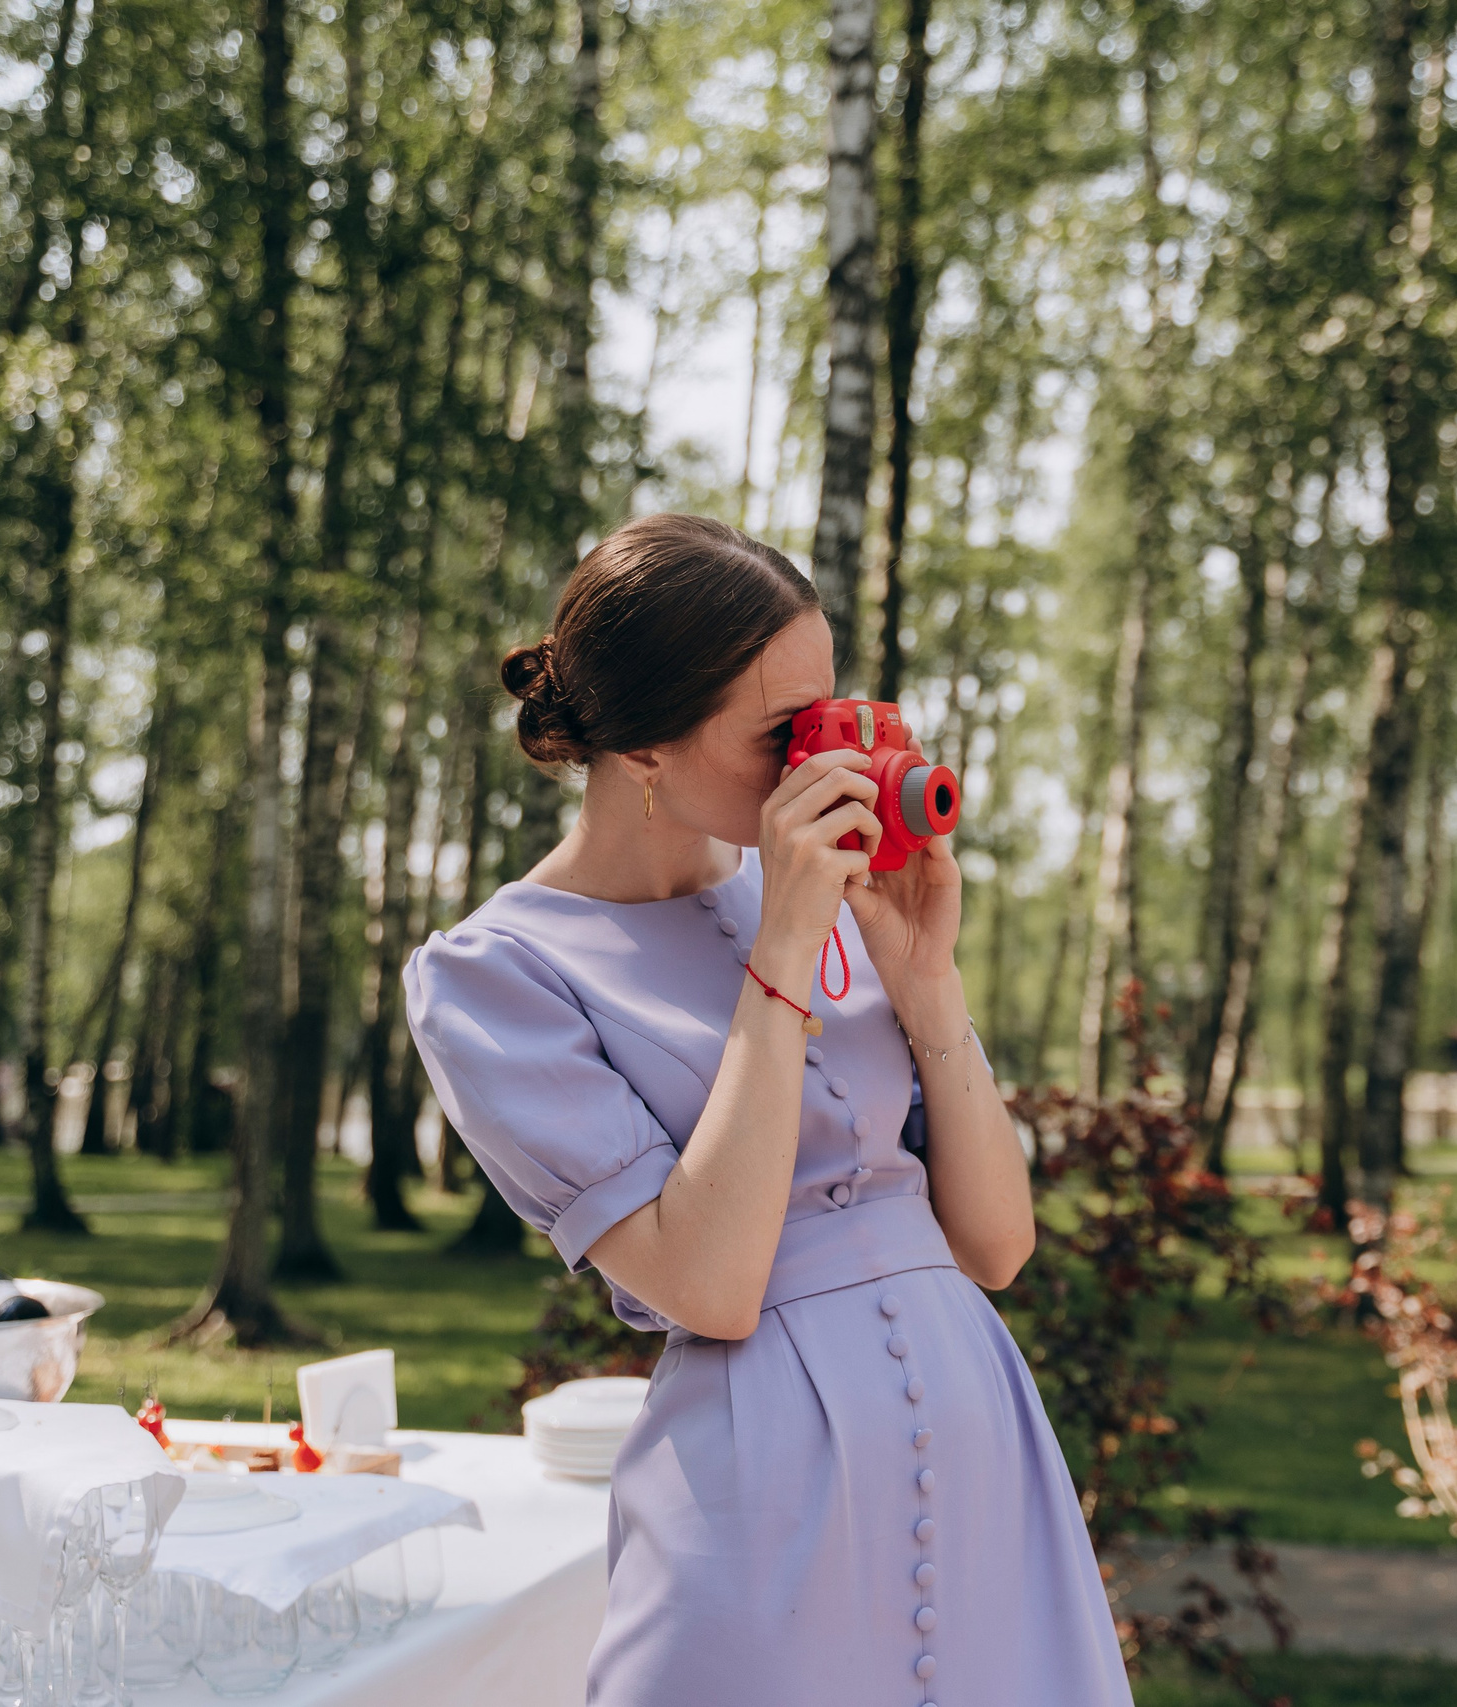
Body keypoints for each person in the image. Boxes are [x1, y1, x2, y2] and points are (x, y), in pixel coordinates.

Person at [404, 513, 1132, 1706]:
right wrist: (786, 943)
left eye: (826, 716)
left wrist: (927, 981)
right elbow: (713, 1283)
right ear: (640, 749)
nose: (819, 763)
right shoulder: (496, 976)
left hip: (981, 1438)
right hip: (769, 1490)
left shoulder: (829, 886)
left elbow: (997, 1246)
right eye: (779, 735)